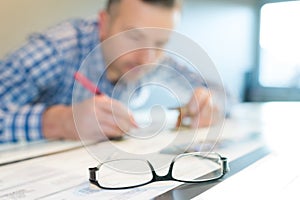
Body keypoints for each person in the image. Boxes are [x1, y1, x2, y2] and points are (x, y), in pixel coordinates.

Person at [0, 0, 223, 143]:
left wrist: (208, 103)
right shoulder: (57, 49)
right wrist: (60, 122)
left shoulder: (153, 57)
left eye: (160, 43)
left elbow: (220, 93)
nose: (146, 59)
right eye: (134, 36)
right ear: (104, 23)